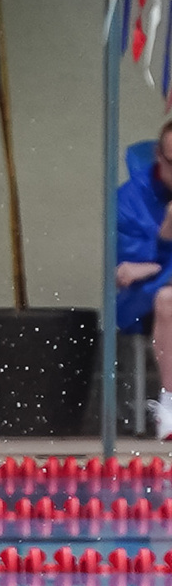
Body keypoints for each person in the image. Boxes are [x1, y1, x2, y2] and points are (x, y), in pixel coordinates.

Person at [114, 123, 172, 436]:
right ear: (157, 155)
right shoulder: (130, 200)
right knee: (168, 299)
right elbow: (127, 272)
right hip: (142, 299)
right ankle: (170, 405)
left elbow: (146, 265)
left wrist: (156, 261)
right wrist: (164, 238)